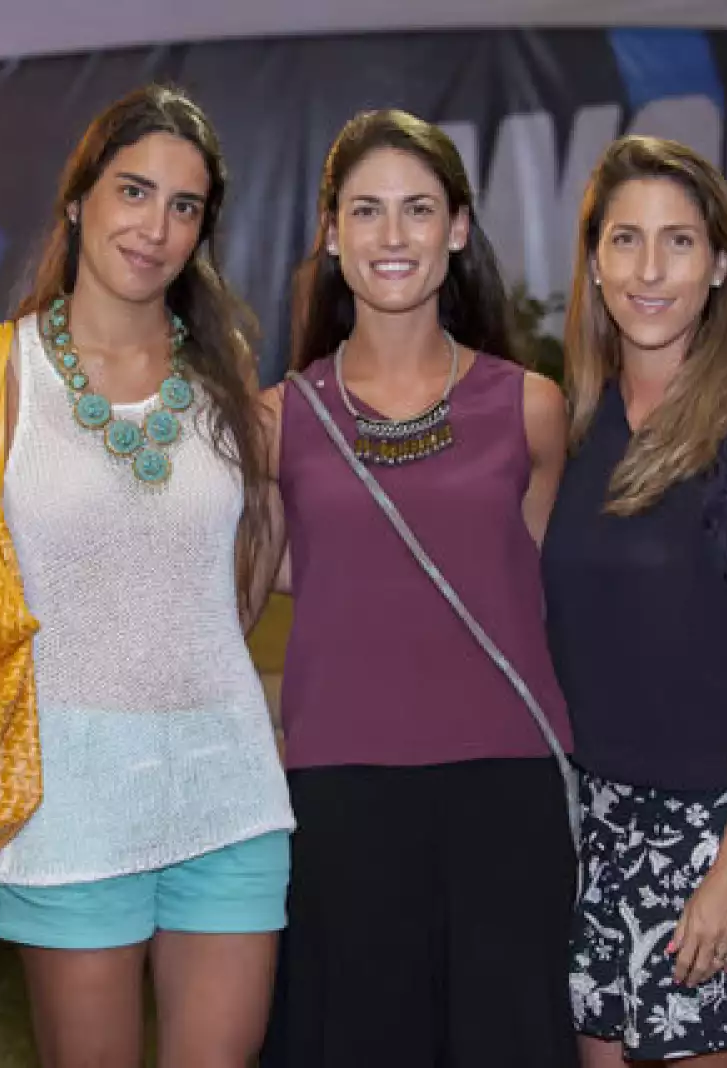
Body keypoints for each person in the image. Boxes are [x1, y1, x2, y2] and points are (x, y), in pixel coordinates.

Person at [0, 85, 294, 1068]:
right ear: (77, 201)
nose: (156, 226)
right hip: (66, 789)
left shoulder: (233, 382)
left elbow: (249, 564)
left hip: (227, 786)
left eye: (185, 207)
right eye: (134, 191)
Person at [258, 109, 578, 1068]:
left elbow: (544, 590)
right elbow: (269, 580)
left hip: (506, 789)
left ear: (459, 230)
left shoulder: (531, 405)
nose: (392, 237)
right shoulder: (279, 418)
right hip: (340, 793)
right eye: (366, 211)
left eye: (417, 210)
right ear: (330, 232)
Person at [542, 135, 727, 1066]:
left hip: (710, 836)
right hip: (594, 830)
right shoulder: (576, 433)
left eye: (679, 242)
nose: (651, 269)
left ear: (718, 269)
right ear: (594, 262)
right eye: (626, 240)